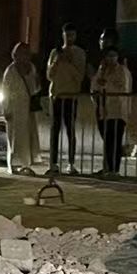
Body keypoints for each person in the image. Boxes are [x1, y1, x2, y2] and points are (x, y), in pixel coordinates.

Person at [44, 24, 88, 173]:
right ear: (62, 35)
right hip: (56, 95)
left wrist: (69, 62)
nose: (69, 38)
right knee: (54, 129)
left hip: (71, 95)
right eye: (66, 35)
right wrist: (57, 61)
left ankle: (71, 163)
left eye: (72, 35)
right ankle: (53, 163)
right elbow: (49, 76)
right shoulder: (54, 53)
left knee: (70, 129)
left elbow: (80, 76)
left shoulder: (80, 53)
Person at [2, 41, 42, 175]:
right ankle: (14, 164)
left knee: (28, 136)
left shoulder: (31, 68)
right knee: (15, 136)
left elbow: (35, 88)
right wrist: (6, 109)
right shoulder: (11, 71)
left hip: (28, 107)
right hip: (15, 108)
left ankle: (26, 164)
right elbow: (6, 91)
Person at [91, 47, 132, 174]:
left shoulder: (122, 71)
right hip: (104, 111)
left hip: (118, 111)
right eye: (109, 55)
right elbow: (94, 85)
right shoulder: (102, 70)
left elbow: (122, 88)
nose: (111, 58)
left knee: (115, 140)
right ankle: (108, 167)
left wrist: (106, 83)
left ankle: (114, 169)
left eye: (114, 55)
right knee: (108, 140)